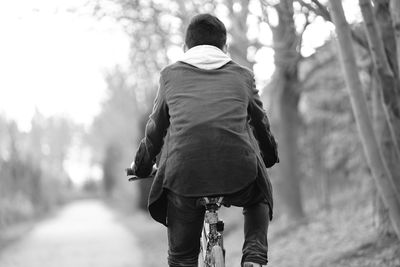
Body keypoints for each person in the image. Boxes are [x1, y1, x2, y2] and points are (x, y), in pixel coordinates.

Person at [130, 13, 278, 267]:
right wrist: (269, 156)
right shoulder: (242, 76)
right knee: (259, 195)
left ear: (186, 48)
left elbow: (155, 129)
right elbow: (260, 123)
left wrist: (142, 166)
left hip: (185, 175)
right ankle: (253, 256)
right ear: (225, 47)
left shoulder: (170, 76)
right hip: (238, 172)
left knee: (181, 258)